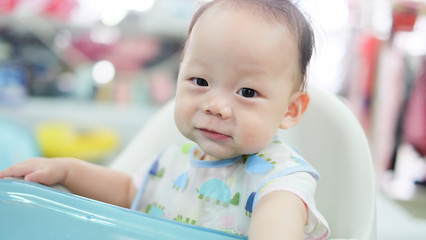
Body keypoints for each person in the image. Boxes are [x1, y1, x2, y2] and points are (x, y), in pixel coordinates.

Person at [0, 0, 329, 239]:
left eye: (246, 92)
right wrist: (68, 170)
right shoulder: (174, 163)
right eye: (200, 82)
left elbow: (278, 223)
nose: (216, 106)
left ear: (290, 110)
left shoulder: (279, 182)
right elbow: (130, 191)